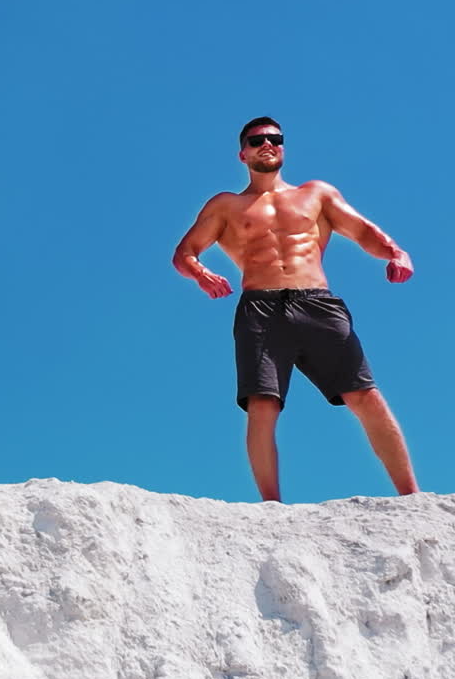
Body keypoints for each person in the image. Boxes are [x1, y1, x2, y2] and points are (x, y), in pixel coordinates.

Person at [172, 116, 418, 502]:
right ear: (243, 153)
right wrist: (202, 275)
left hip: (316, 302)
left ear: (283, 147)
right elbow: (184, 253)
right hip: (260, 308)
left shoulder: (315, 194)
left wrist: (394, 251)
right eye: (257, 140)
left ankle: (411, 497)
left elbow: (361, 230)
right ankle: (271, 505)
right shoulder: (226, 205)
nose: (266, 144)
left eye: (274, 138)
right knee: (262, 403)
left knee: (364, 395)